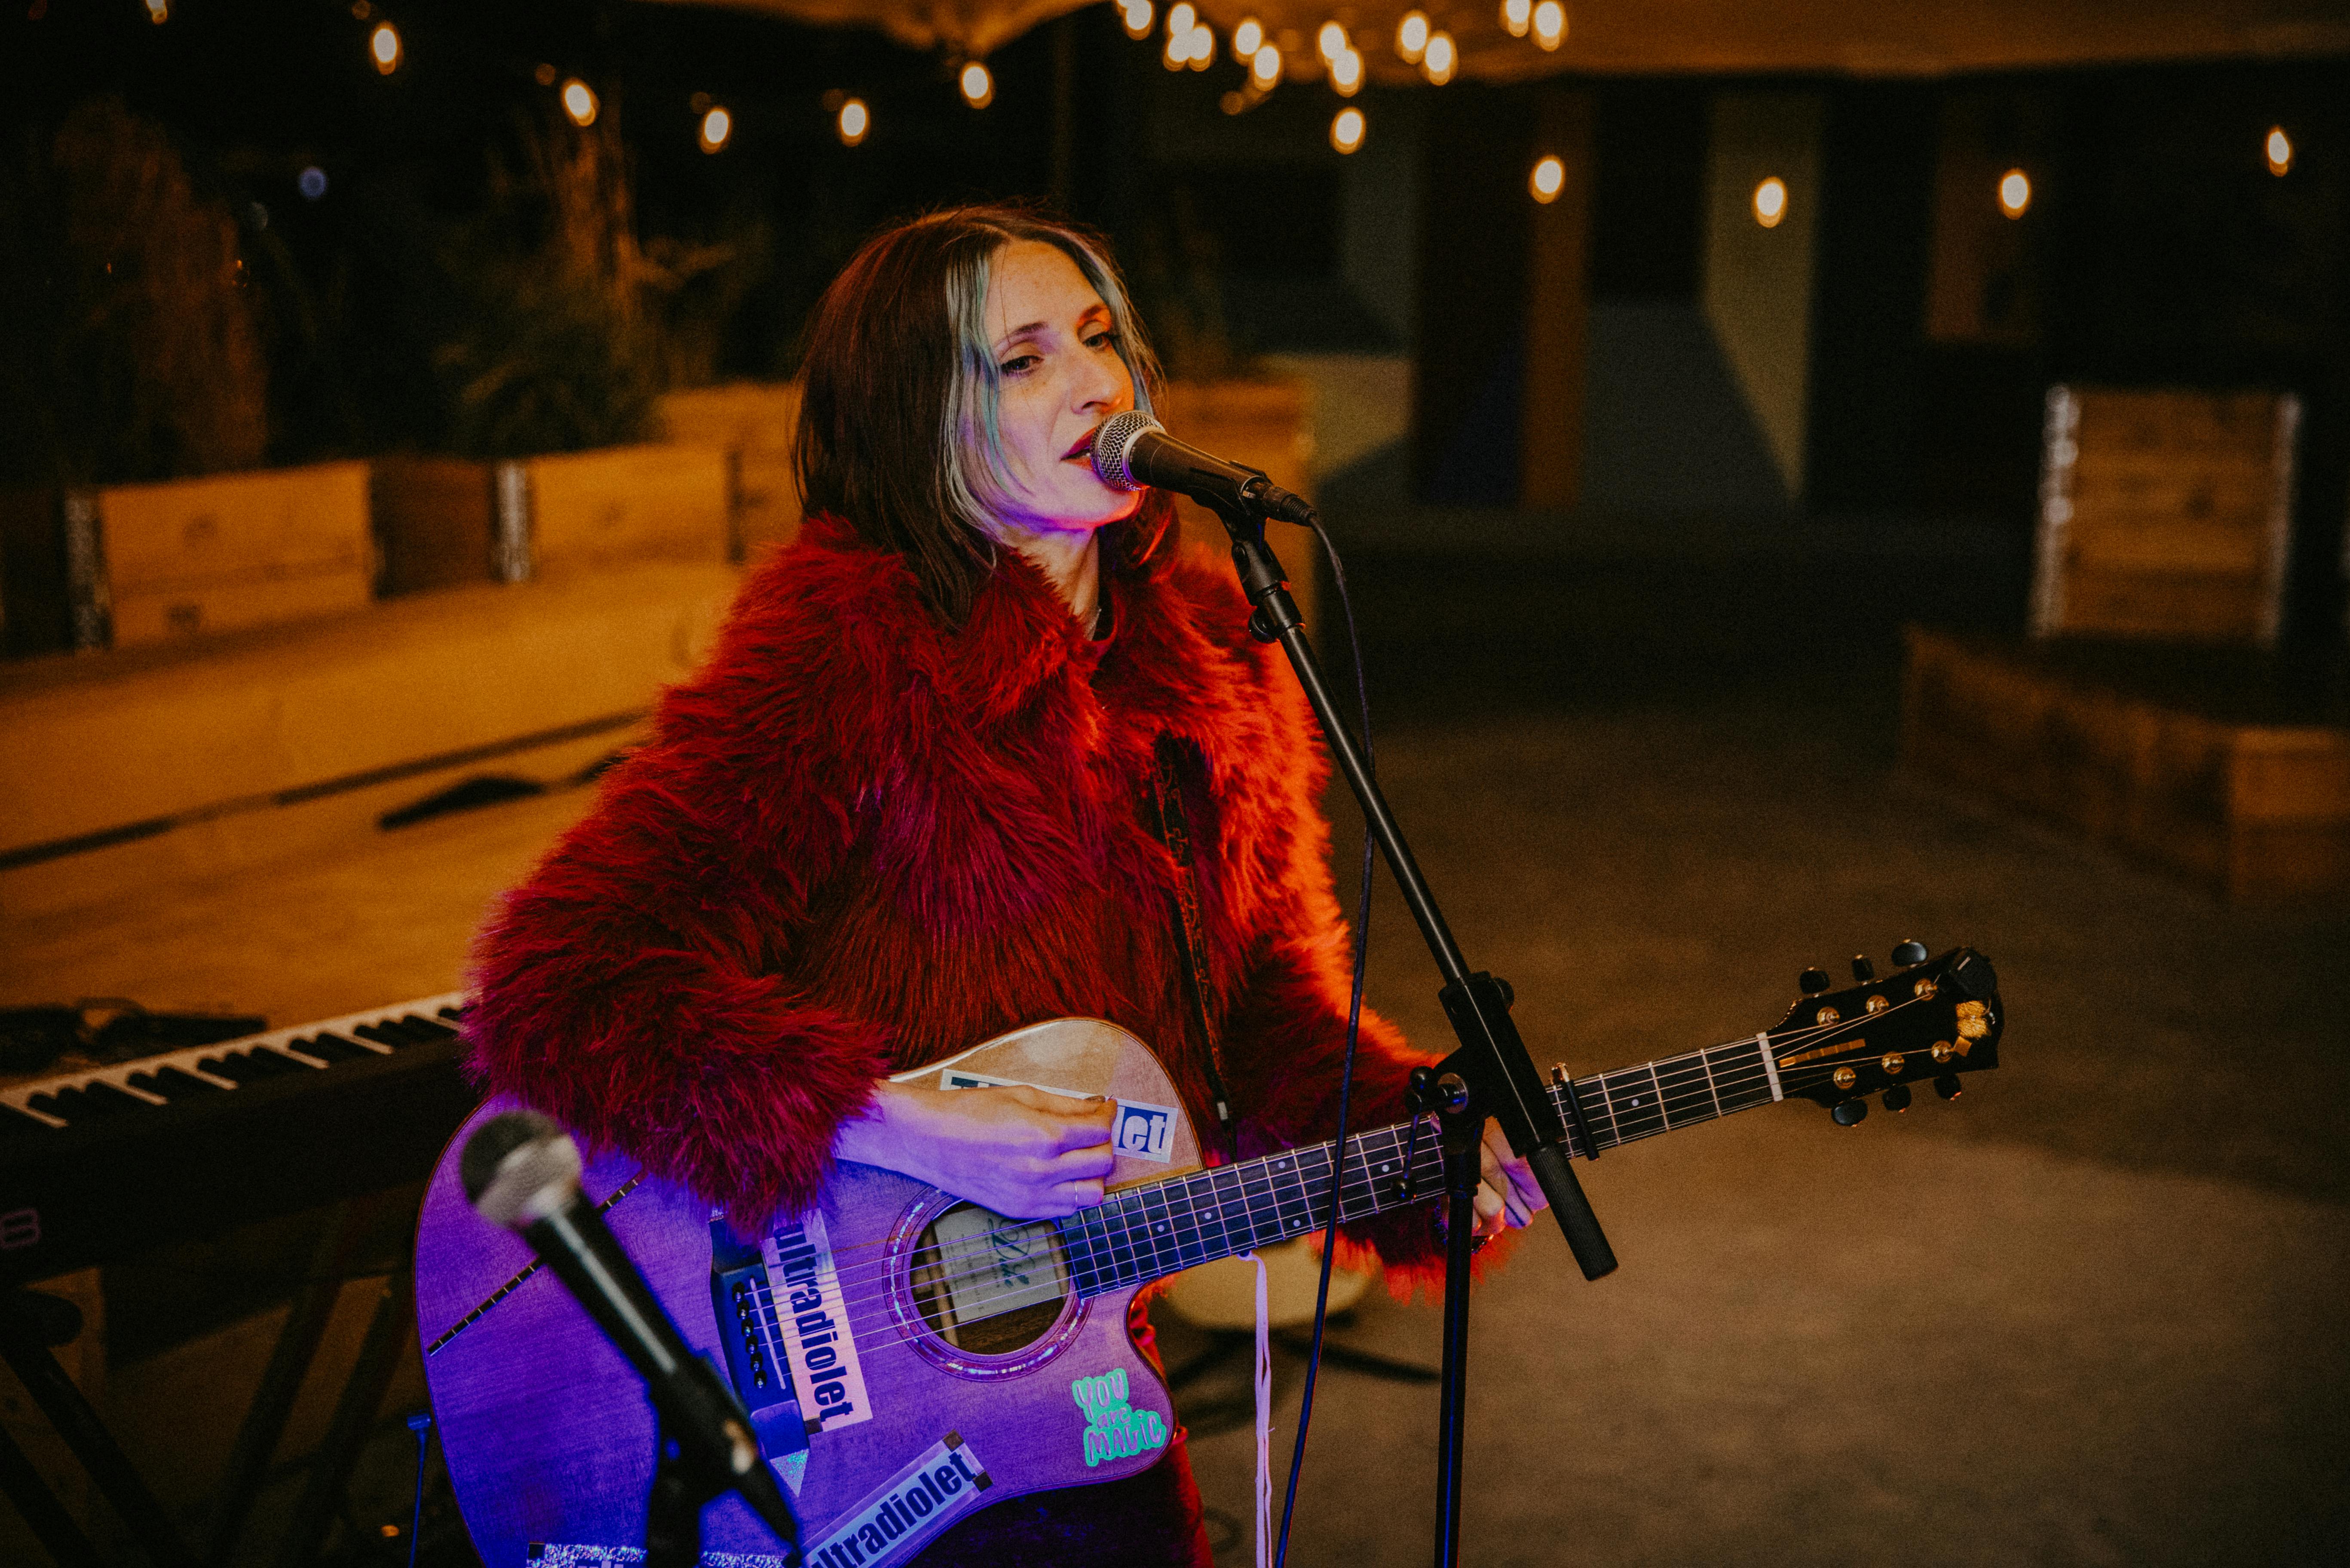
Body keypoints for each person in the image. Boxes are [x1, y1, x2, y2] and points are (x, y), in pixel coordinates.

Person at [462, 203, 1545, 1565]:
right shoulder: (847, 649)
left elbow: (1259, 1013)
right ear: (921, 415)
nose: (1099, 384)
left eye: (1099, 339)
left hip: (1079, 1359)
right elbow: (565, 981)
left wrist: (1427, 1143)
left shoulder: (1218, 656)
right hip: (846, 1368)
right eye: (1024, 360)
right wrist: (891, 1118)